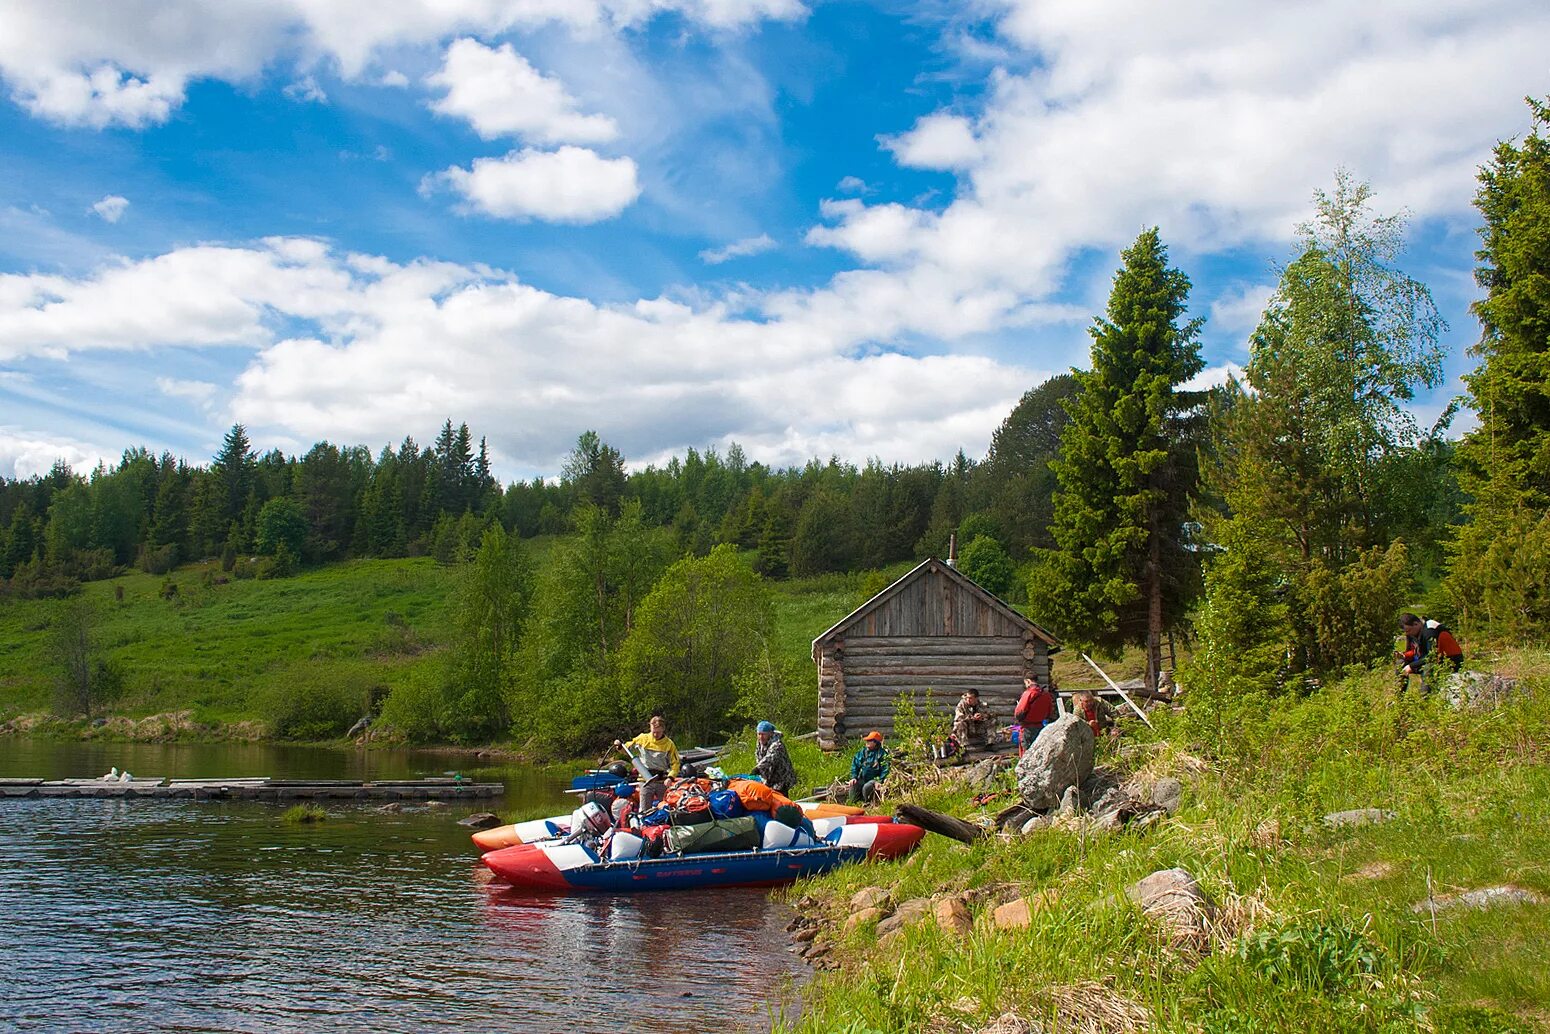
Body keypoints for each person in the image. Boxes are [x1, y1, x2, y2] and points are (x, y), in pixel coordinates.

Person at [612, 712, 680, 812]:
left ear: (663, 730)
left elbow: (676, 764)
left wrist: (670, 777)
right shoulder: (643, 738)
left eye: (659, 732)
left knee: (666, 809)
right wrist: (619, 746)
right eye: (654, 732)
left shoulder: (669, 744)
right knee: (644, 810)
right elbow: (627, 749)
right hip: (645, 781)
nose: (656, 735)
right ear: (650, 728)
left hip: (662, 781)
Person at [1398, 613, 1464, 692]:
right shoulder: (1415, 632)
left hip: (1449, 661)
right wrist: (1405, 656)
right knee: (1400, 663)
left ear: (1416, 624)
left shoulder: (1430, 630)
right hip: (1430, 659)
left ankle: (1424, 699)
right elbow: (1417, 652)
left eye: (1408, 631)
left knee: (1428, 667)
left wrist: (1411, 666)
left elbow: (1432, 656)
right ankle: (1399, 697)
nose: (1407, 634)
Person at [753, 720, 798, 796]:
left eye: (763, 734)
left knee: (781, 801)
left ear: (770, 734)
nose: (761, 737)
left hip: (781, 779)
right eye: (759, 734)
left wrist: (757, 768)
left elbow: (770, 758)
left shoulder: (777, 744)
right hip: (769, 778)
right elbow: (758, 756)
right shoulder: (760, 743)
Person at [1012, 675, 1054, 754]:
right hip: (1040, 727)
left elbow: (1019, 711)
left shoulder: (1028, 693)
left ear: (1028, 681)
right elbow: (1049, 713)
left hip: (1027, 728)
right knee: (1038, 752)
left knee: (1026, 753)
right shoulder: (1046, 695)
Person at [847, 731, 890, 804]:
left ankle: (867, 803)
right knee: (853, 785)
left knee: (866, 787)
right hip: (863, 779)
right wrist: (853, 777)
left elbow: (885, 769)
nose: (867, 742)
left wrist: (879, 781)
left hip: (874, 780)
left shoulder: (882, 754)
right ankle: (852, 803)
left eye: (869, 740)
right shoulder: (862, 752)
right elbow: (855, 765)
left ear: (875, 742)